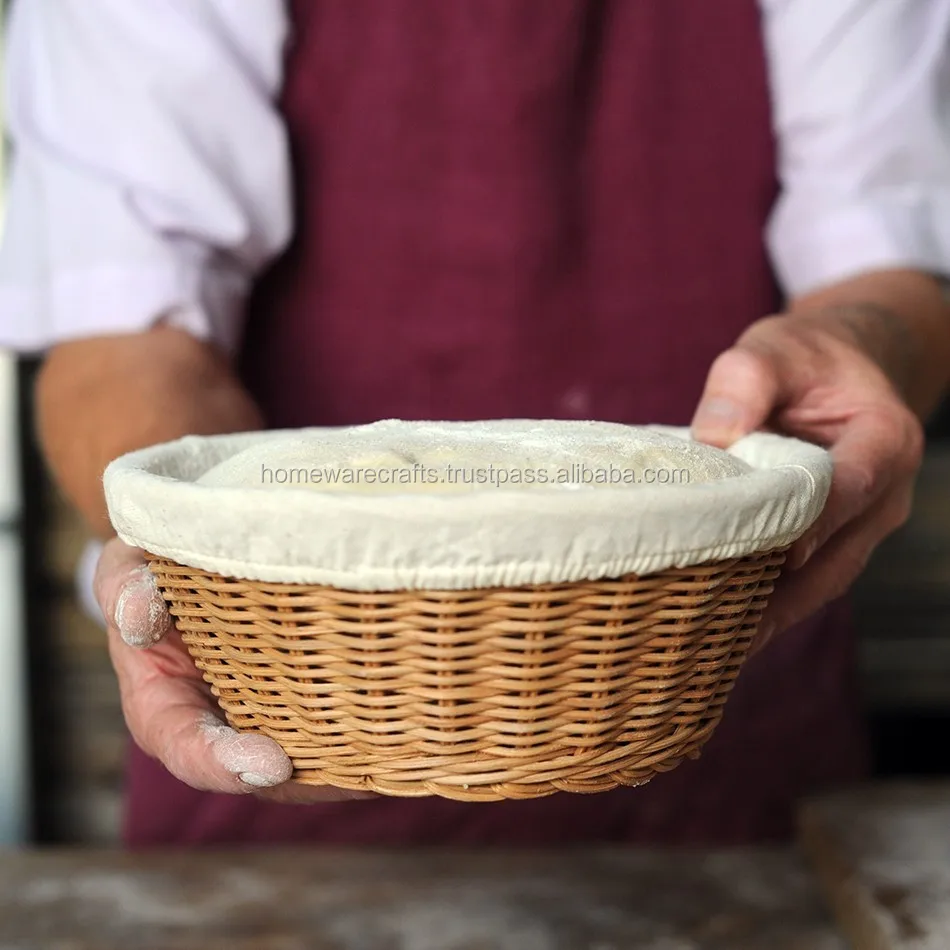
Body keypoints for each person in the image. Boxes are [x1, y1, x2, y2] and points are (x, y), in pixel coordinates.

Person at [0, 0, 948, 849]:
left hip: (724, 739)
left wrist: (861, 339)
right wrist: (187, 548)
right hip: (283, 761)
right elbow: (124, 327)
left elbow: (888, 236)